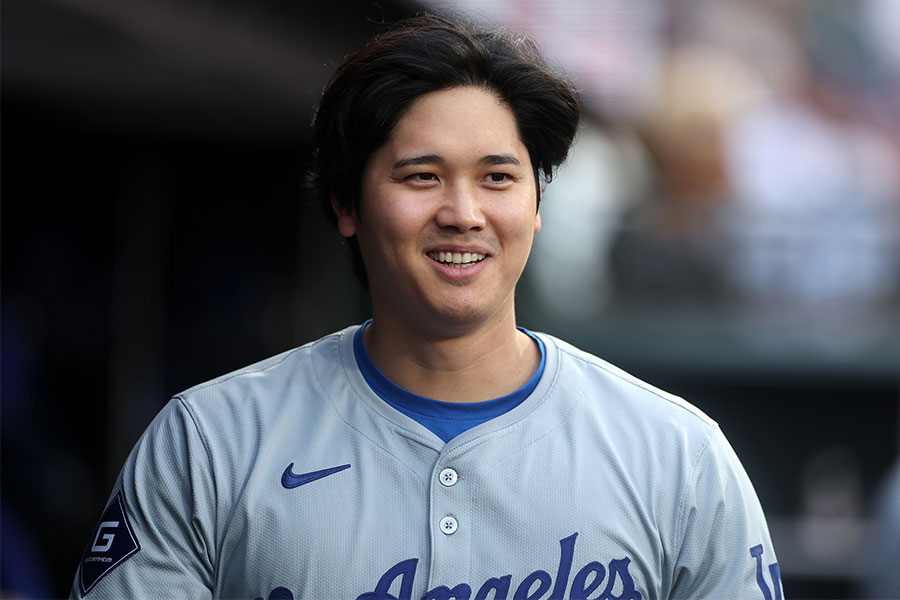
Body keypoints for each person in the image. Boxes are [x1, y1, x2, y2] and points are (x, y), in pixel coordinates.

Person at [71, 14, 782, 600]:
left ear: (536, 206)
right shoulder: (210, 443)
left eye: (498, 177)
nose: (463, 213)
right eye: (422, 176)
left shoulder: (676, 456)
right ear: (346, 202)